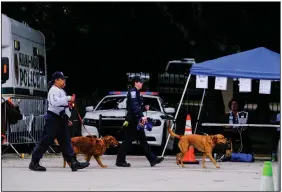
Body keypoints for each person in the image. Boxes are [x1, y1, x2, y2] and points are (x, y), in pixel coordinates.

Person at [29, 71, 90, 172]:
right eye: (62, 79)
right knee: (46, 141)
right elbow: (55, 102)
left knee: (66, 141)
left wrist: (67, 117)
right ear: (56, 80)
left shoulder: (61, 90)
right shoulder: (53, 90)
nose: (64, 81)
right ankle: (34, 162)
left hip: (61, 119)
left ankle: (73, 162)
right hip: (52, 118)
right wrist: (68, 98)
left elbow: (64, 106)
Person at [116, 76, 164, 167]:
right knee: (128, 141)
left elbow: (136, 106)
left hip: (136, 119)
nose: (142, 83)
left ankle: (152, 159)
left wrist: (143, 108)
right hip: (133, 120)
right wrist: (142, 116)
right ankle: (120, 160)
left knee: (143, 140)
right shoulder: (133, 91)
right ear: (136, 83)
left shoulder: (137, 92)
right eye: (140, 82)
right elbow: (134, 106)